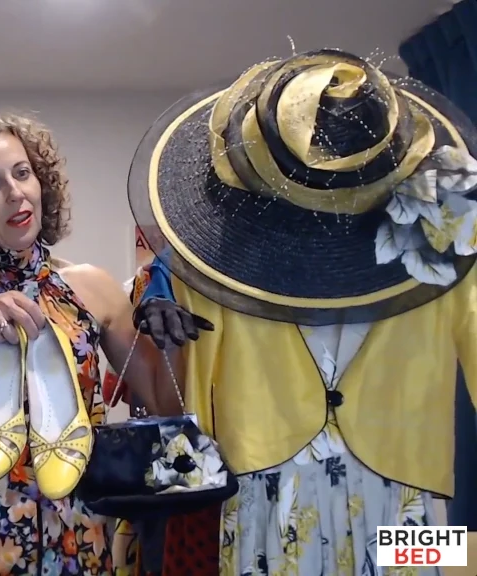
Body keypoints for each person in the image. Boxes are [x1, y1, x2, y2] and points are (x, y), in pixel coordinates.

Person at [118, 49, 477, 575]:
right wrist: (154, 299)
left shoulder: (442, 237)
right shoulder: (217, 264)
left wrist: (459, 551)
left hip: (404, 486)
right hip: (267, 489)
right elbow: (163, 320)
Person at [0, 112, 200, 576]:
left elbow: (165, 405)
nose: (15, 192)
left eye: (22, 173)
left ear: (41, 183)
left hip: (73, 537)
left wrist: (172, 337)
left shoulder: (93, 287)